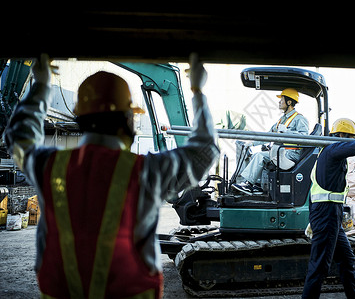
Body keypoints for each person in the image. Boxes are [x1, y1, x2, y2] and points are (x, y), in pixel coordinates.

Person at [3, 54, 219, 299]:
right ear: (127, 119)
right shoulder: (146, 171)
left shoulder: (50, 166)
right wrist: (198, 91)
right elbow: (206, 150)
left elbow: (18, 138)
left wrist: (40, 86)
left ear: (80, 118)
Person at [302, 118, 355, 299]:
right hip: (326, 215)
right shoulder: (333, 150)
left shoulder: (334, 156)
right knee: (319, 267)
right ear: (340, 136)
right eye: (349, 137)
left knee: (347, 260)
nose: (350, 141)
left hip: (332, 215)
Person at [232, 88, 309, 195]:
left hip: (291, 154)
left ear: (289, 102)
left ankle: (248, 183)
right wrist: (252, 143)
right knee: (256, 156)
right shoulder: (281, 120)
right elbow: (268, 135)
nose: (279, 102)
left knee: (261, 156)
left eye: (281, 99)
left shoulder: (299, 119)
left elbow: (305, 137)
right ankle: (257, 186)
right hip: (281, 153)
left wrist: (287, 133)